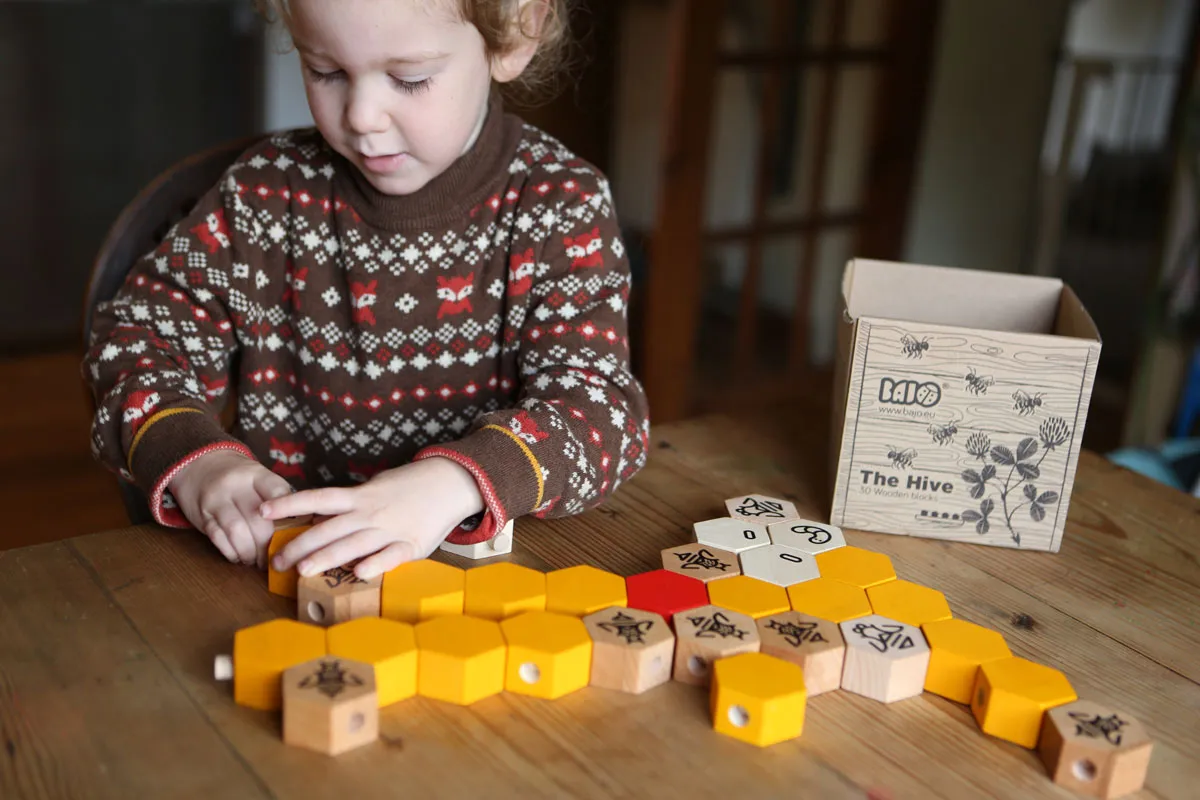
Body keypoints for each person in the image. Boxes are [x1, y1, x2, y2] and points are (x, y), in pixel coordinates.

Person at [82, 0, 649, 582]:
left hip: (484, 582)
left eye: (410, 79)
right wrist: (200, 463)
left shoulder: (561, 206)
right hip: (282, 576)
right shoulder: (264, 197)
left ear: (516, 36)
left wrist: (454, 483)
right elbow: (134, 343)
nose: (362, 116)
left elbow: (601, 414)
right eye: (326, 71)